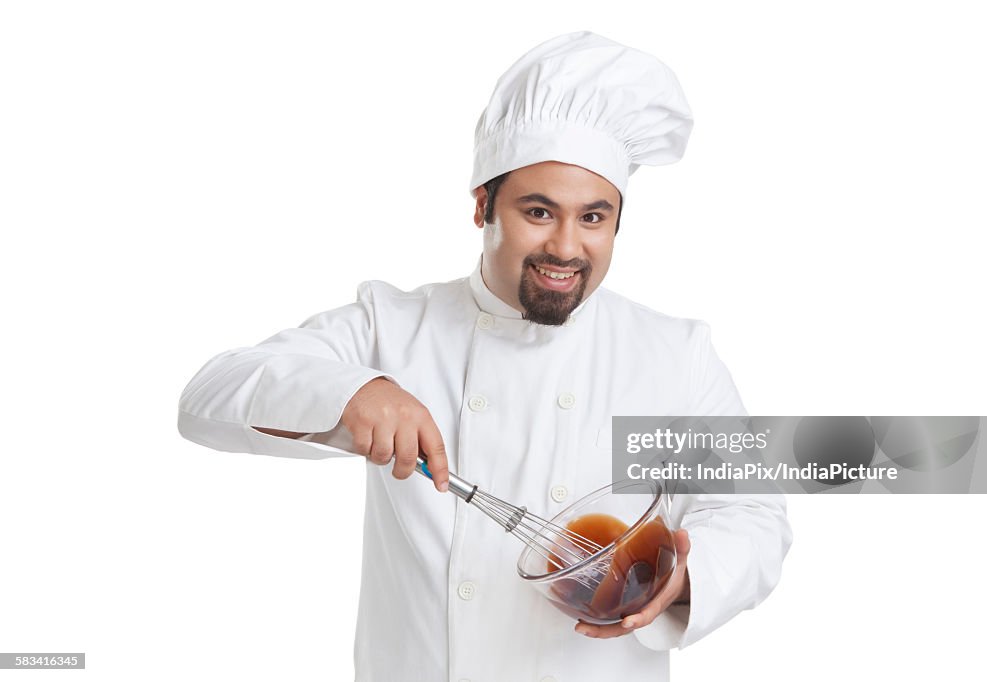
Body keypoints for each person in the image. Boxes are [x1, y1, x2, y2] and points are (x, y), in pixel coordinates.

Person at [178, 30, 792, 682]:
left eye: (593, 218)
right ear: (482, 206)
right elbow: (207, 398)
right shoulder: (395, 326)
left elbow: (751, 513)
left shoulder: (672, 356)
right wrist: (353, 391)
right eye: (538, 211)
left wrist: (687, 579)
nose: (565, 247)